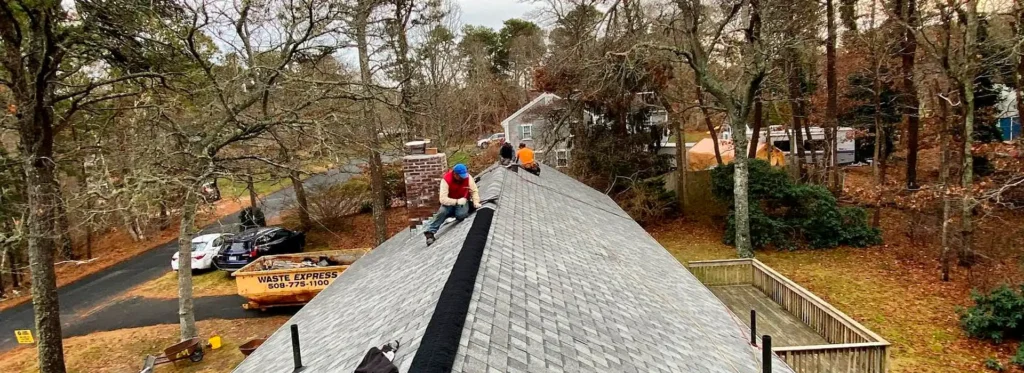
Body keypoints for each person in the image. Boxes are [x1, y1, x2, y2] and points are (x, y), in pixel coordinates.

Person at [424, 163, 480, 245]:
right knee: (442, 212)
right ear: (455, 174)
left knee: (461, 215)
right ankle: (430, 233)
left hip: (463, 201)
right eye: (460, 176)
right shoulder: (446, 180)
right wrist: (456, 202)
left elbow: (474, 191)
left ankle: (467, 207)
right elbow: (442, 199)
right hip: (449, 203)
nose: (462, 178)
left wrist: (476, 202)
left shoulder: (468, 178)